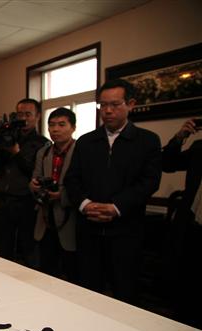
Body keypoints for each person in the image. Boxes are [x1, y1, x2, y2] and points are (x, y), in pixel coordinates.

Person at [64, 78, 161, 304]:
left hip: (126, 230)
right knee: (88, 292)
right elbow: (72, 179)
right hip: (89, 230)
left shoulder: (147, 141)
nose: (107, 111)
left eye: (115, 104)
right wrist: (85, 204)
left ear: (131, 104)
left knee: (125, 292)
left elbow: (149, 182)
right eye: (103, 105)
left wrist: (116, 207)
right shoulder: (86, 141)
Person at [0, 98, 49, 267]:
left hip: (26, 202)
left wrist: (16, 152)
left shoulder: (42, 143)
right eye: (19, 114)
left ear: (37, 116)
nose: (23, 118)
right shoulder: (7, 137)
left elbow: (34, 171)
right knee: (2, 249)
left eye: (28, 114)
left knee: (29, 249)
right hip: (3, 200)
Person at [161, 118, 201, 328]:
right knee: (187, 282)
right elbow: (167, 164)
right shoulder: (199, 147)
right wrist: (179, 137)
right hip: (192, 224)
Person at [29, 107, 77, 282]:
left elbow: (86, 185)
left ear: (73, 127)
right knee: (47, 269)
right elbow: (35, 178)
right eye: (51, 125)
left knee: (73, 270)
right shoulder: (44, 152)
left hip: (70, 218)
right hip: (46, 216)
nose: (55, 129)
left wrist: (62, 195)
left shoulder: (80, 150)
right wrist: (33, 186)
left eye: (61, 125)